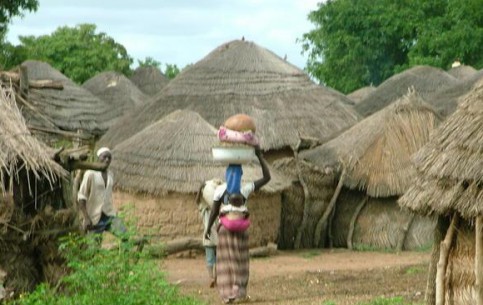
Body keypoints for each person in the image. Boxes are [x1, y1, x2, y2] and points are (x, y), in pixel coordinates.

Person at [205, 146, 271, 304]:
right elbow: (267, 177)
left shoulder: (220, 190)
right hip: (240, 230)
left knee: (226, 261)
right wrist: (260, 156)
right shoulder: (245, 189)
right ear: (241, 175)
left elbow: (214, 211)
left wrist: (208, 229)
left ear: (227, 174)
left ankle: (227, 295)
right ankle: (238, 292)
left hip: (225, 231)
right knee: (239, 261)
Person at [77, 147, 126, 238]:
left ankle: (127, 252)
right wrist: (86, 217)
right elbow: (81, 196)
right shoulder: (90, 174)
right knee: (93, 248)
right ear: (98, 157)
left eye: (109, 158)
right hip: (94, 217)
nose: (107, 160)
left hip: (109, 214)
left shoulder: (110, 174)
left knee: (125, 236)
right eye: (104, 157)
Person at [195, 179, 222, 288]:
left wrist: (200, 189)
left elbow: (197, 201)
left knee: (210, 258)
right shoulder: (218, 208)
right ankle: (216, 278)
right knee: (219, 258)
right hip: (219, 234)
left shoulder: (204, 208)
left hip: (208, 235)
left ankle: (211, 277)